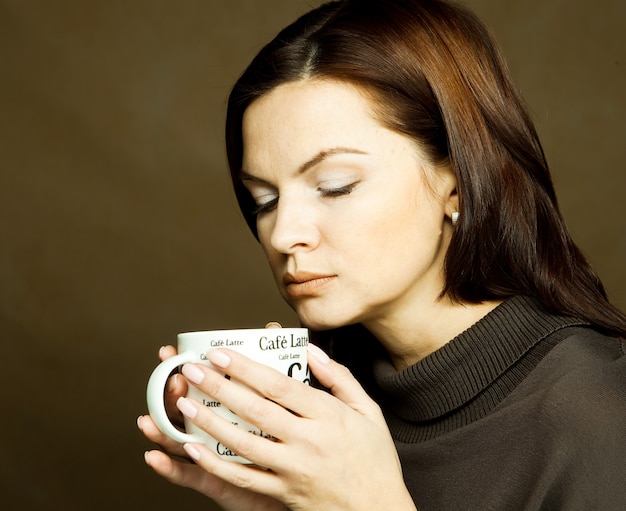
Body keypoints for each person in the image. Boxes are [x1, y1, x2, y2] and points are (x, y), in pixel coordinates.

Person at [138, 0, 626, 509]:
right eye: (265, 200)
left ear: (457, 185)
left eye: (335, 186)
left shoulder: (599, 414)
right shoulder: (322, 419)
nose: (283, 234)